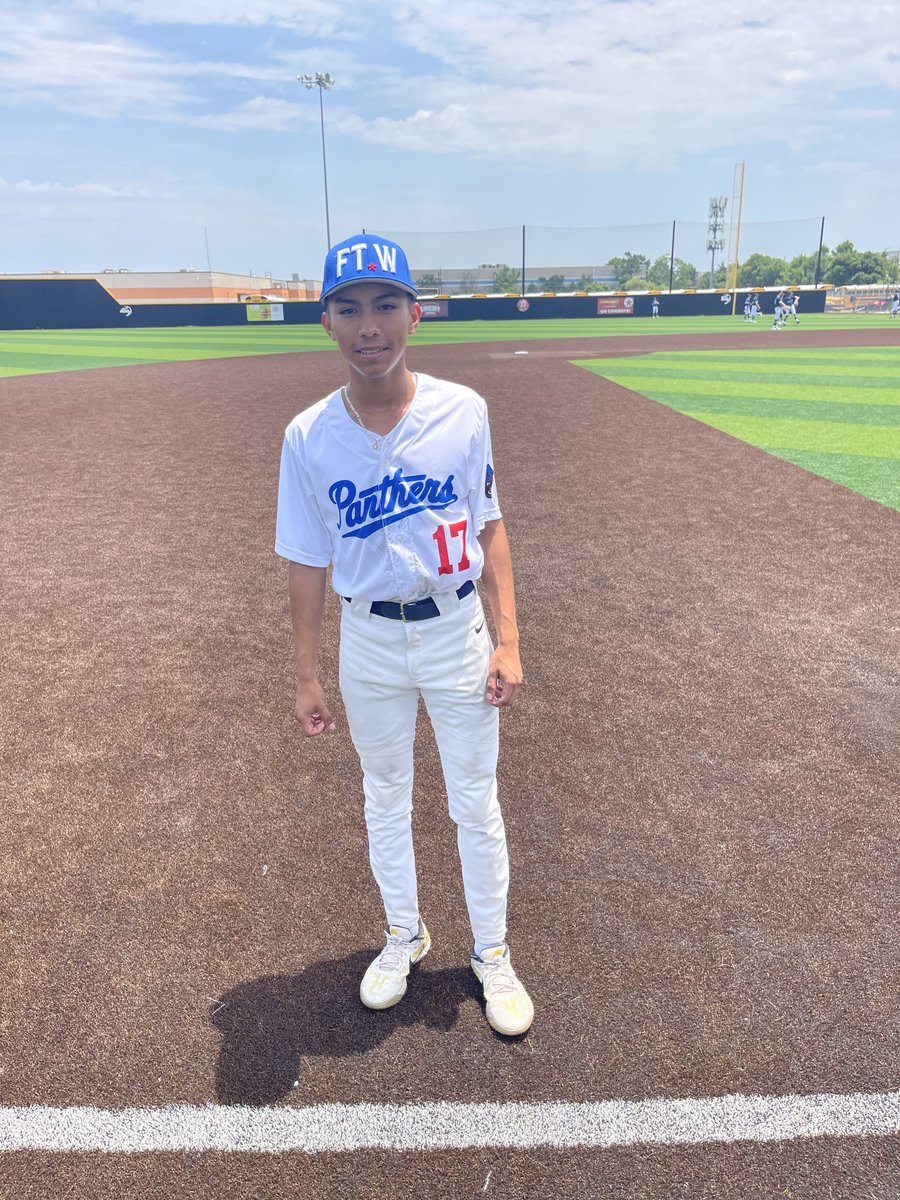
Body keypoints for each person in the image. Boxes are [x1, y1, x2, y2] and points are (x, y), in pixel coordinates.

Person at [275, 233, 534, 1037]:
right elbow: (306, 562)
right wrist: (307, 674)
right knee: (384, 796)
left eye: (386, 304)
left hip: (456, 628)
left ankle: (491, 953)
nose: (369, 325)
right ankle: (403, 931)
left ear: (414, 315)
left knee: (473, 803)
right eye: (349, 308)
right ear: (326, 322)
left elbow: (489, 527)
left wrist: (509, 640)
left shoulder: (463, 412)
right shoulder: (307, 437)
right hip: (371, 642)